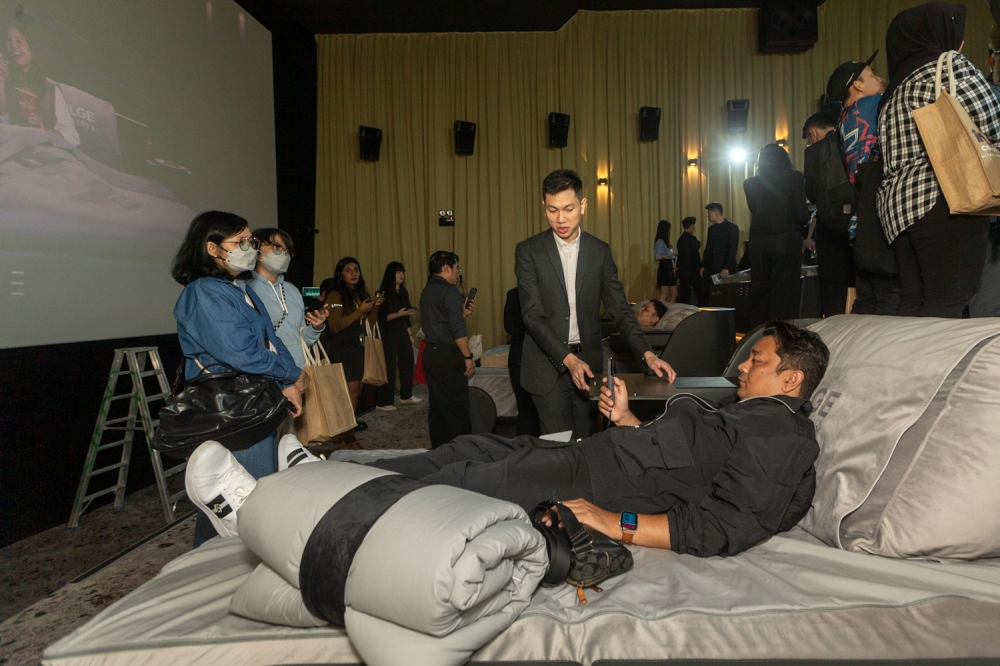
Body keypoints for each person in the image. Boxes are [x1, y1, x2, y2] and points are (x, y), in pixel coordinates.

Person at [187, 321, 828, 560]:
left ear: (791, 378)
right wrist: (631, 421)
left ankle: (257, 515)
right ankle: (310, 479)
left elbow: (722, 526)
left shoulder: (781, 431)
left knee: (452, 487)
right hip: (580, 456)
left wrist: (614, 521)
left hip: (593, 485)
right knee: (461, 451)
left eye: (759, 359)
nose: (744, 365)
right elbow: (684, 465)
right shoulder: (746, 418)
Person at [170, 211, 306, 546]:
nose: (250, 248)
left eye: (251, 241)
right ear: (213, 249)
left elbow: (270, 341)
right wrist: (291, 373)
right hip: (231, 409)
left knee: (247, 498)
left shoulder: (239, 287)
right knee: (241, 501)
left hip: (255, 400)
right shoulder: (203, 293)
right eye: (241, 242)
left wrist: (288, 381)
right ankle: (213, 574)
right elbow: (242, 352)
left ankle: (221, 569)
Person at [515, 169, 676, 439]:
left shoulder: (599, 252)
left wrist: (648, 355)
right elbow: (532, 316)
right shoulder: (529, 251)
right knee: (559, 446)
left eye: (568, 208)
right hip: (545, 365)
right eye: (552, 210)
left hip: (588, 364)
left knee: (587, 442)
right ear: (544, 207)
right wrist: (568, 360)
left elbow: (621, 311)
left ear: (583, 204)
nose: (561, 219)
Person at [878, 2, 1000, 317]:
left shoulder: (895, 88)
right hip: (945, 199)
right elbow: (988, 119)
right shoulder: (946, 66)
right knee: (948, 303)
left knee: (914, 303)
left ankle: (903, 367)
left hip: (900, 211)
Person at [827, 51, 900, 316]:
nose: (880, 78)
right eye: (871, 75)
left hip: (860, 220)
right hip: (881, 212)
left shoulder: (843, 120)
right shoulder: (875, 104)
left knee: (867, 299)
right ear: (857, 84)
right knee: (891, 298)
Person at [743, 144, 811, 327]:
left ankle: (757, 337)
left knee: (760, 293)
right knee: (785, 294)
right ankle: (782, 341)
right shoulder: (794, 178)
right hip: (786, 238)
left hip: (757, 242)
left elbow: (757, 211)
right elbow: (801, 214)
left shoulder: (749, 183)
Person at [248, 227, 329, 369]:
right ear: (256, 248)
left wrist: (316, 327)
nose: (283, 253)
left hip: (299, 369)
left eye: (288, 250)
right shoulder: (245, 289)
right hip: (267, 372)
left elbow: (301, 340)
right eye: (276, 246)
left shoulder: (292, 290)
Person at [802, 113, 855, 316]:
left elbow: (811, 193)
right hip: (857, 221)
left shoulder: (814, 152)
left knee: (833, 287)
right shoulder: (850, 138)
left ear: (812, 133)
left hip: (830, 224)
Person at [420, 251, 476, 447]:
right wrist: (467, 356)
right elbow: (457, 330)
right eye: (456, 268)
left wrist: (463, 313)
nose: (456, 272)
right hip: (447, 355)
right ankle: (460, 453)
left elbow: (442, 321)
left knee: (438, 407)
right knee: (457, 408)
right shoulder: (449, 290)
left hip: (431, 353)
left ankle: (439, 450)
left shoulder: (427, 289)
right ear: (446, 268)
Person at [321, 257, 383, 430]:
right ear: (340, 274)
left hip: (359, 346)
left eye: (356, 269)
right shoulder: (335, 294)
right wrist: (359, 311)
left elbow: (367, 325)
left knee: (357, 392)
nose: (353, 273)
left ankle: (349, 427)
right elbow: (335, 326)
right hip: (343, 348)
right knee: (350, 392)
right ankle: (345, 431)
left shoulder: (359, 293)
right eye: (348, 270)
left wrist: (374, 309)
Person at [0, 24, 78, 146]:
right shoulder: (4, 79)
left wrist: (43, 129)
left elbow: (73, 138)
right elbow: (4, 125)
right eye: (9, 41)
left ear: (33, 48)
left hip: (43, 155)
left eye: (19, 40)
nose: (13, 45)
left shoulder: (51, 89)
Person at [375, 262, 421, 411]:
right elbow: (381, 318)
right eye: (398, 272)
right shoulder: (382, 293)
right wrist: (399, 314)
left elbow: (405, 315)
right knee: (388, 367)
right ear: (391, 274)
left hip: (402, 331)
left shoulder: (403, 292)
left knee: (407, 363)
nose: (401, 275)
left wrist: (410, 334)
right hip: (388, 333)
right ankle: (384, 402)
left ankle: (406, 395)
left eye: (403, 272)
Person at [503, 287, 541, 437]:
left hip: (517, 355)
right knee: (540, 410)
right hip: (539, 356)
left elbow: (508, 326)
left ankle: (522, 449)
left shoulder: (512, 294)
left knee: (524, 409)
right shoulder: (544, 292)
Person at [701, 203, 740, 304]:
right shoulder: (711, 229)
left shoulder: (732, 228)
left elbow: (732, 248)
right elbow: (708, 248)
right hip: (712, 268)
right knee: (710, 294)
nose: (708, 215)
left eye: (709, 213)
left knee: (727, 296)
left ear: (716, 213)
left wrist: (726, 267)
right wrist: (703, 265)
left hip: (726, 267)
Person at [676, 216, 704, 305]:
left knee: (684, 294)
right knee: (699, 293)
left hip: (683, 271)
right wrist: (700, 267)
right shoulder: (692, 239)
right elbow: (696, 256)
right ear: (691, 226)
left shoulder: (680, 240)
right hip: (693, 270)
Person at [654, 220, 677, 302]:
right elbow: (658, 256)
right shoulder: (660, 241)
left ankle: (669, 310)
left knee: (674, 294)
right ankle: (658, 310)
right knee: (665, 294)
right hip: (664, 268)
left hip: (669, 268)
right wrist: (672, 254)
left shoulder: (665, 241)